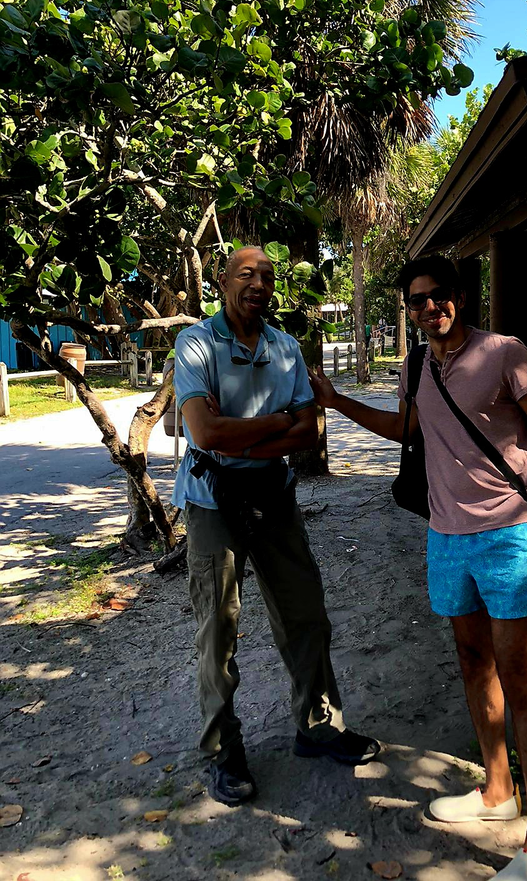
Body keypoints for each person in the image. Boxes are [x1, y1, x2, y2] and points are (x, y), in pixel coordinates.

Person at [308, 255, 527, 881]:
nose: (429, 308)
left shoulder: (504, 353)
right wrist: (337, 401)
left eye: (439, 296)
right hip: (445, 538)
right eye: (416, 300)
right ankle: (498, 792)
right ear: (408, 310)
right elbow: (408, 431)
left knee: (518, 673)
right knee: (473, 663)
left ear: (460, 298)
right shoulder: (416, 365)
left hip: (507, 535)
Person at [172, 246, 379, 808]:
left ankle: (318, 727)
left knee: (305, 614)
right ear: (222, 281)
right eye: (246, 274)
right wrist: (274, 424)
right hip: (214, 503)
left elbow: (308, 433)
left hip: (274, 497)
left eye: (267, 275)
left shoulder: (285, 348)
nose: (258, 283)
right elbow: (203, 434)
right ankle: (221, 750)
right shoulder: (195, 344)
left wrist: (242, 428)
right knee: (218, 629)